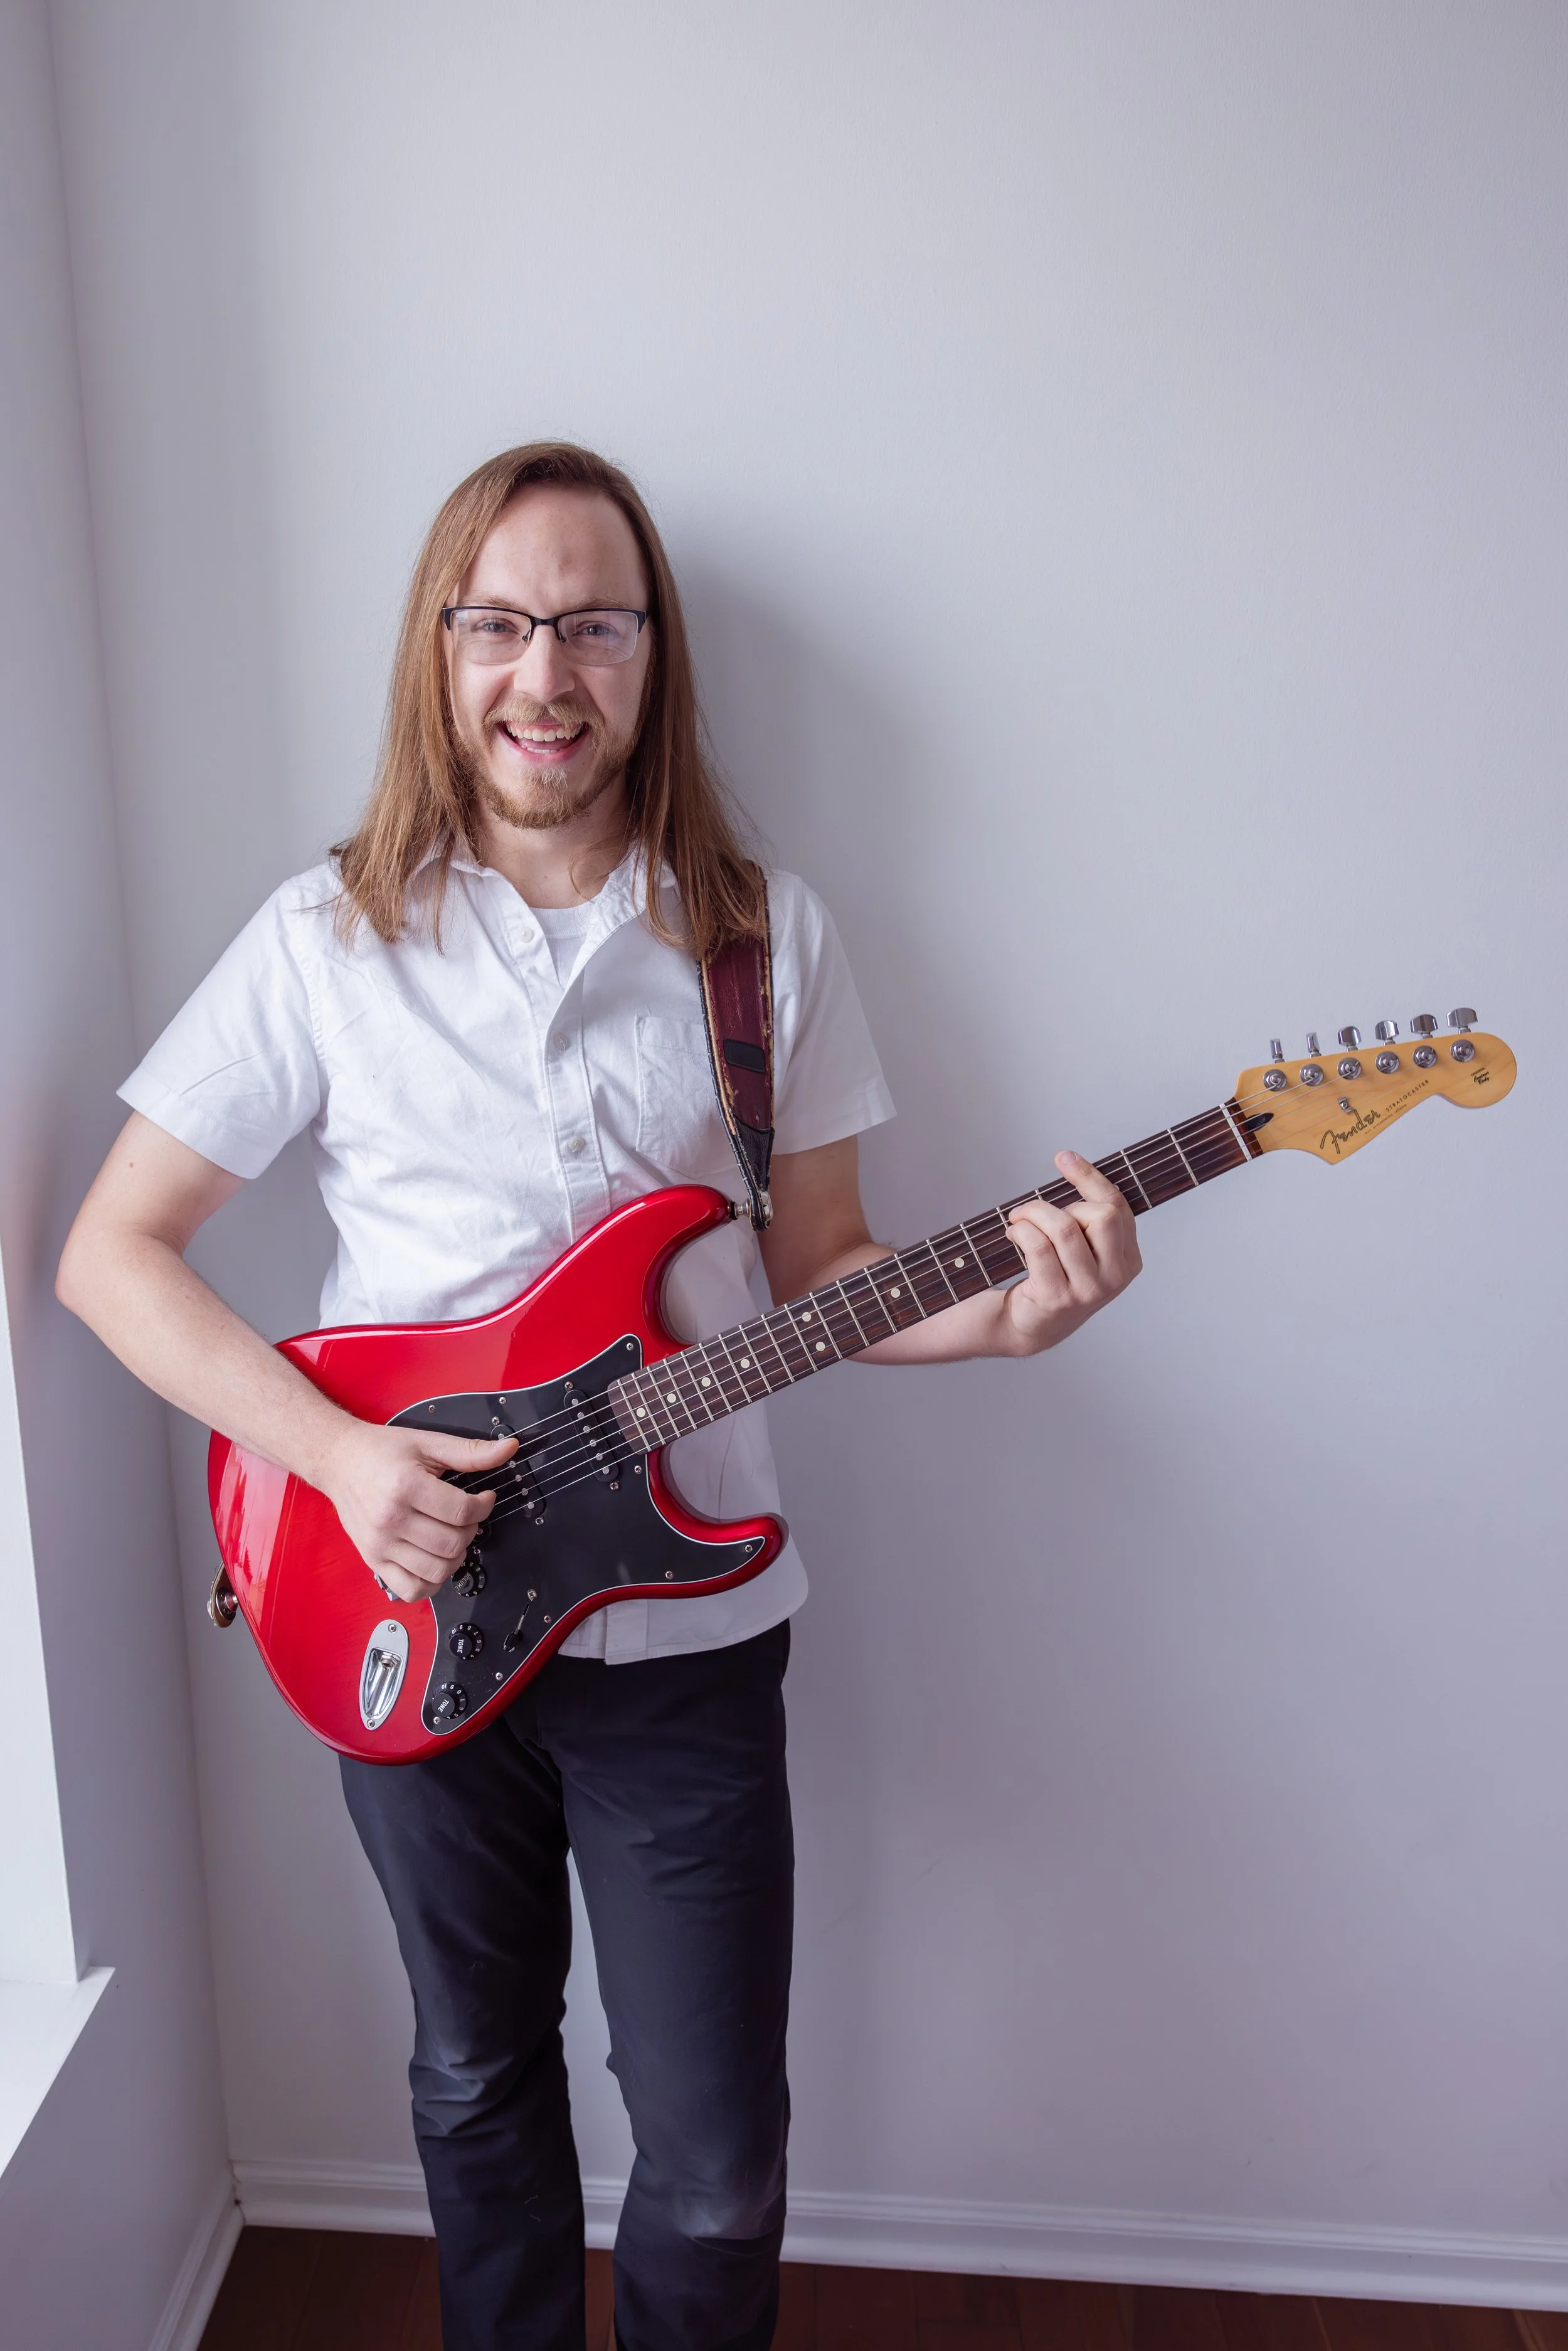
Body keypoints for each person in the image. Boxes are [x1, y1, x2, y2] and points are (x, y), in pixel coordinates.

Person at [56, 442, 1142, 2351]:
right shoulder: (325, 937)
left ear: (651, 658)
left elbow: (818, 1273)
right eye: (498, 620)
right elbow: (111, 1252)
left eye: (592, 624)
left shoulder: (761, 936)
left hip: (690, 1640)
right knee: (475, 2085)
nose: (542, 672)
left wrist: (1006, 1317)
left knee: (714, 2162)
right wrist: (335, 1455)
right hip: (402, 1601)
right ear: (439, 646)